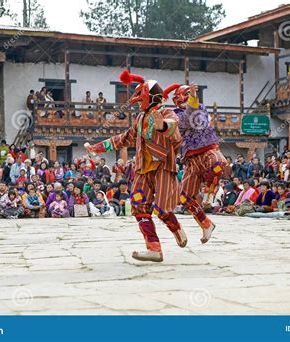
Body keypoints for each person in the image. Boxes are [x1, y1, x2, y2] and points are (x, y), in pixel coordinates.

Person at [86, 69, 186, 262]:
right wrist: (96, 148)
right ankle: (154, 248)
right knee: (139, 208)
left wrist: (161, 125)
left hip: (162, 168)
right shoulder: (140, 119)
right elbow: (123, 139)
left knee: (162, 208)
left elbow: (174, 128)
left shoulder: (166, 112)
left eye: (141, 98)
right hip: (142, 170)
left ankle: (176, 228)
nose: (138, 102)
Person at [163, 82, 226, 242]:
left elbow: (193, 117)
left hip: (208, 150)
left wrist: (193, 98)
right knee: (184, 197)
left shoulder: (200, 109)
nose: (181, 100)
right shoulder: (174, 114)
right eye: (179, 97)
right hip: (190, 159)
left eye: (186, 97)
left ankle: (209, 194)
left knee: (218, 162)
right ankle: (205, 224)